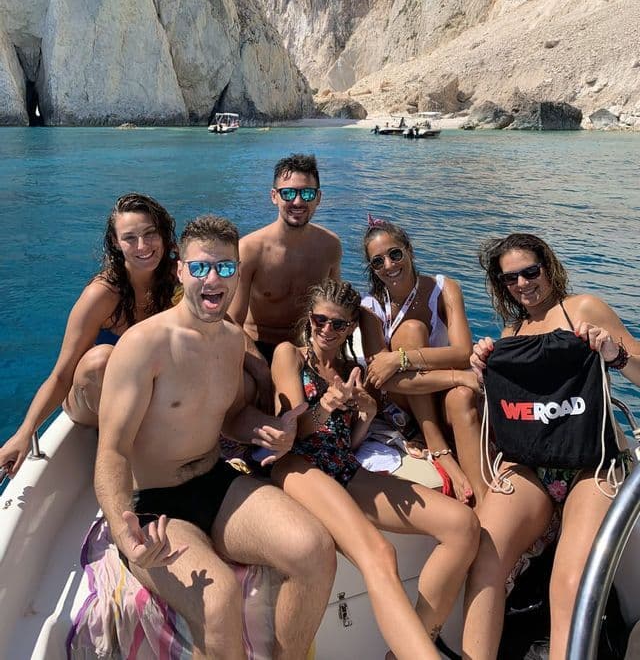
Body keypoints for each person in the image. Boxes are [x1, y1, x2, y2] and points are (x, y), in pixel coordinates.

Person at [94, 214, 336, 660]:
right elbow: (111, 451)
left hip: (215, 480)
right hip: (155, 502)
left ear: (237, 274)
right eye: (201, 267)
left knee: (315, 549)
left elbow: (230, 417)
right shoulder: (143, 345)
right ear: (181, 270)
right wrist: (123, 532)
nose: (213, 279)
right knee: (218, 598)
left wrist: (263, 430)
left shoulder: (229, 341)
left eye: (225, 268)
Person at [271, 278, 480, 660]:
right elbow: (294, 429)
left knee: (463, 526)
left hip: (343, 467)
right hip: (298, 467)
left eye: (338, 324)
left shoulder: (351, 369)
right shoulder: (291, 355)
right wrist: (327, 407)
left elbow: (346, 444)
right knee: (381, 553)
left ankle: (407, 648)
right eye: (320, 320)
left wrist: (365, 416)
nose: (326, 330)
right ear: (309, 318)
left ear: (351, 327)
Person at [463, 233, 640, 660]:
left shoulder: (584, 309)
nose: (523, 284)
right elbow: (507, 410)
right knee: (484, 562)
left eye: (530, 271)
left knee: (569, 582)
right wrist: (483, 367)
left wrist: (615, 354)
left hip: (593, 464)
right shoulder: (512, 333)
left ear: (549, 266)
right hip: (533, 467)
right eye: (510, 279)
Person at [0, 193, 177, 477]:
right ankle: (120, 457)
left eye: (150, 234)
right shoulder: (102, 295)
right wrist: (24, 433)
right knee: (102, 359)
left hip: (145, 395)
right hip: (92, 399)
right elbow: (61, 374)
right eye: (130, 238)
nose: (142, 246)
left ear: (164, 235)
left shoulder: (177, 278)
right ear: (117, 245)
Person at [360, 218, 486, 505]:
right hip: (407, 397)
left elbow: (463, 352)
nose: (389, 266)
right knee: (411, 330)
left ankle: (481, 503)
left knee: (463, 396)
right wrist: (457, 376)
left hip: (443, 391)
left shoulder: (444, 288)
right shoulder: (370, 309)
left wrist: (399, 357)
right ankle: (437, 445)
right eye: (378, 262)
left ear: (409, 251)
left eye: (394, 254)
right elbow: (381, 378)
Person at [228, 153, 342, 367]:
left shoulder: (330, 246)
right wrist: (260, 368)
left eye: (307, 194)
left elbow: (338, 306)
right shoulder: (250, 249)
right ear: (274, 196)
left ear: (318, 198)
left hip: (307, 350)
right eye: (288, 193)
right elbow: (233, 322)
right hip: (257, 348)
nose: (297, 201)